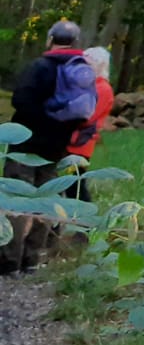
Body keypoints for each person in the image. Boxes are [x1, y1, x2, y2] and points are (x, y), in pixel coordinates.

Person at [4, 20, 94, 274]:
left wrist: (38, 122)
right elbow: (85, 111)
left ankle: (9, 260)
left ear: (50, 39)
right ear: (76, 42)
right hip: (57, 147)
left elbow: (20, 99)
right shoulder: (82, 71)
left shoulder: (40, 66)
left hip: (25, 144)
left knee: (18, 200)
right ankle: (32, 259)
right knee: (46, 200)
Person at [65, 47, 116, 197]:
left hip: (80, 144)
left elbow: (86, 116)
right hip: (70, 141)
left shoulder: (102, 89)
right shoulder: (88, 86)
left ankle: (84, 217)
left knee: (75, 186)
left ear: (99, 65)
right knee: (69, 185)